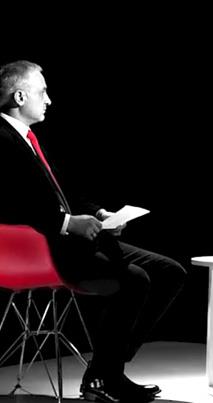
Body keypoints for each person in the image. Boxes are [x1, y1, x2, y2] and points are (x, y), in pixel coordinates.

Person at [0, 60, 187, 403]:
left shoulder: (28, 139)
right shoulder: (1, 140)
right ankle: (107, 374)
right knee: (135, 279)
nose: (49, 100)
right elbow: (11, 206)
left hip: (73, 242)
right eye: (43, 92)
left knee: (170, 272)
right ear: (20, 96)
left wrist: (99, 214)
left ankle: (105, 368)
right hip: (46, 250)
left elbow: (63, 194)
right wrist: (69, 224)